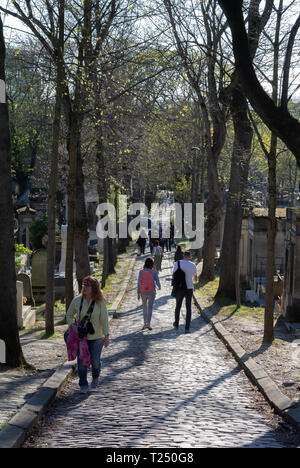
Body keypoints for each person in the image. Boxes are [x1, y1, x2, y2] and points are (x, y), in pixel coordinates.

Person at [66, 276, 110, 394]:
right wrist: (72, 326)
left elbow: (104, 320)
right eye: (83, 285)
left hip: (97, 338)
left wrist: (106, 336)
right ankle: (83, 384)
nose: (84, 288)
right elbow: (69, 315)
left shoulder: (100, 303)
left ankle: (95, 376)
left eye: (87, 286)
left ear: (94, 288)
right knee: (81, 363)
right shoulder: (76, 300)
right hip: (82, 338)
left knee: (95, 362)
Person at [173, 251, 197, 333]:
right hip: (189, 288)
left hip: (180, 288)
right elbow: (195, 279)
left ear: (183, 256)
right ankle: (187, 327)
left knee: (178, 306)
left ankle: (176, 323)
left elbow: (174, 275)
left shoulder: (177, 263)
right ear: (190, 257)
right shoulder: (193, 265)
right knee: (188, 307)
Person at [137, 258, 161, 330]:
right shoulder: (154, 271)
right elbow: (157, 280)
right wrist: (159, 286)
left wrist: (138, 292)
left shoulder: (141, 272)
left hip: (143, 292)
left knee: (144, 307)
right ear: (152, 264)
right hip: (151, 292)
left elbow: (139, 283)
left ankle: (144, 323)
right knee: (150, 307)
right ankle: (149, 323)